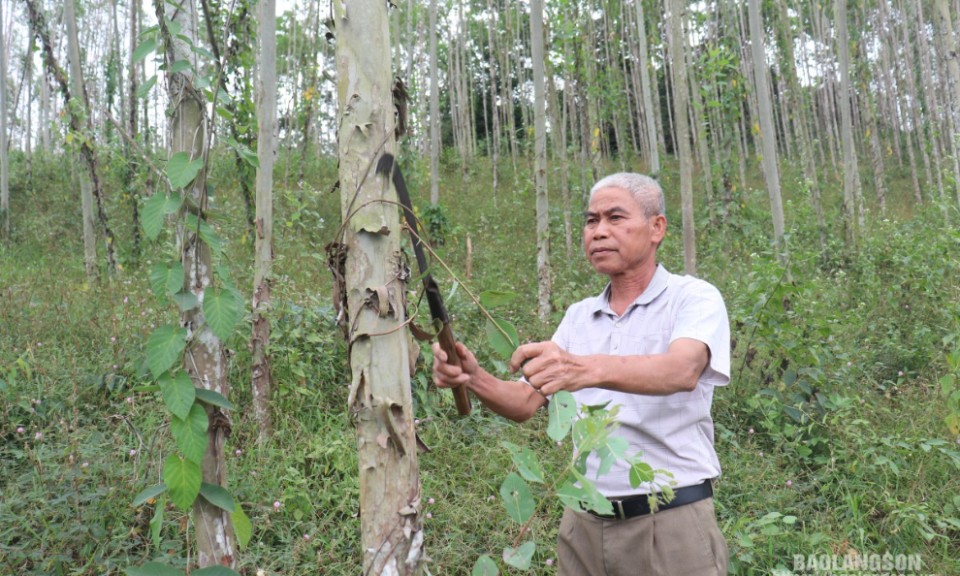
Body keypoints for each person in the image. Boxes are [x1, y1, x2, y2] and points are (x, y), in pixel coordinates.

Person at [432, 172, 730, 575]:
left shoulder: (692, 297)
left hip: (670, 519)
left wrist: (580, 369)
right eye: (591, 221)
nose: (599, 232)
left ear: (656, 227)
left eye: (615, 218)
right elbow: (525, 402)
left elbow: (683, 370)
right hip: (584, 525)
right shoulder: (580, 317)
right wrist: (472, 376)